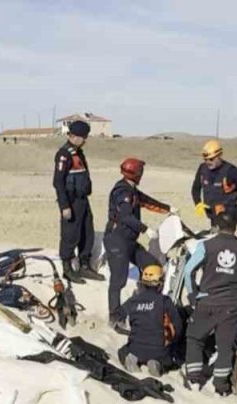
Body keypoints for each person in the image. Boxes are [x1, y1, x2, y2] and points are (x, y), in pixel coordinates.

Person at [182, 211, 237, 395]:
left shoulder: (206, 246)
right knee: (225, 346)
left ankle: (194, 380)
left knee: (195, 338)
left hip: (207, 301)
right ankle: (220, 386)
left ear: (217, 226)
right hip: (231, 306)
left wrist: (193, 294)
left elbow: (188, 270)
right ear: (235, 226)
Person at [104, 157, 177, 326]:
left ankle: (142, 298)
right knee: (119, 279)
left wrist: (168, 209)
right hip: (117, 240)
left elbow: (147, 201)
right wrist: (146, 229)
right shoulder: (123, 192)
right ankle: (115, 315)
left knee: (152, 264)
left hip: (129, 241)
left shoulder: (132, 190)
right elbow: (126, 216)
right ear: (137, 174)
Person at [52, 121, 103, 284]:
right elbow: (58, 182)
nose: (85, 140)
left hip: (82, 199)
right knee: (70, 235)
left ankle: (84, 265)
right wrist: (64, 206)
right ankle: (67, 269)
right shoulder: (64, 154)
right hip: (71, 200)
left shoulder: (78, 153)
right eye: (83, 137)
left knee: (87, 232)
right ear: (73, 136)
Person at [115, 264, 183, 378]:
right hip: (159, 351)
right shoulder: (164, 301)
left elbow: (118, 315)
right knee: (170, 357)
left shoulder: (134, 300)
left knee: (123, 351)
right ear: (160, 283)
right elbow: (178, 326)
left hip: (136, 347)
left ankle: (133, 358)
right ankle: (158, 364)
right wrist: (172, 341)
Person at [191, 139, 237, 231]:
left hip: (228, 214)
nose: (208, 162)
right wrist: (197, 203)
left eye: (211, 159)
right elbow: (196, 188)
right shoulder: (203, 169)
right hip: (212, 213)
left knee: (224, 235)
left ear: (219, 156)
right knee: (215, 233)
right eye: (205, 159)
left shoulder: (231, 171)